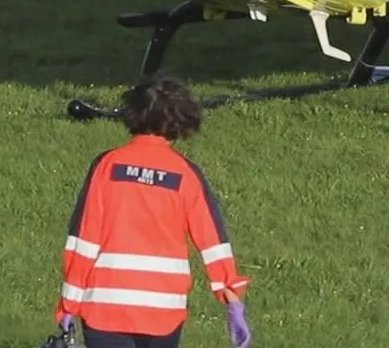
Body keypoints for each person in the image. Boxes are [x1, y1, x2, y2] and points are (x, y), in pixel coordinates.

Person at [55, 78, 252, 348]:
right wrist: (232, 300)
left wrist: (68, 304)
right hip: (163, 310)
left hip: (105, 305)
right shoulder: (185, 174)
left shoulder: (107, 166)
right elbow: (213, 242)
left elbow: (83, 240)